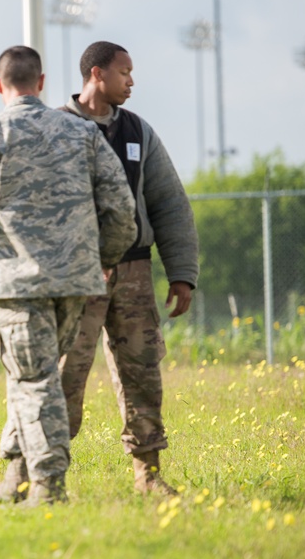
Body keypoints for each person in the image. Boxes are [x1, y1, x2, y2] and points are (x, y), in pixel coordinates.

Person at [0, 45, 136, 506]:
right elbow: (122, 209)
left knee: (34, 382)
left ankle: (49, 487)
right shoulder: (83, 134)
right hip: (76, 283)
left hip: (21, 287)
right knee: (32, 378)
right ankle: (15, 476)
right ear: (41, 83)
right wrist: (105, 258)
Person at [59, 41, 200, 496]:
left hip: (135, 272)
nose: (132, 81)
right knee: (64, 373)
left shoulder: (139, 132)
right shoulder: (56, 129)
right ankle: (46, 474)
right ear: (96, 74)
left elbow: (169, 203)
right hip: (76, 274)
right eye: (125, 72)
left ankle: (148, 476)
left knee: (142, 371)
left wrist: (182, 272)